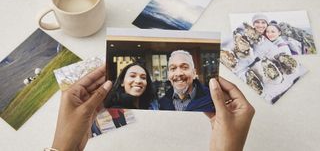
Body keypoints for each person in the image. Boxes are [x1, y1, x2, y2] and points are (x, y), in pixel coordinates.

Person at [49, 65, 255, 151]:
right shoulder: (105, 110)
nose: (139, 80)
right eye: (133, 75)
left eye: (143, 77)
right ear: (121, 82)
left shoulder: (159, 104)